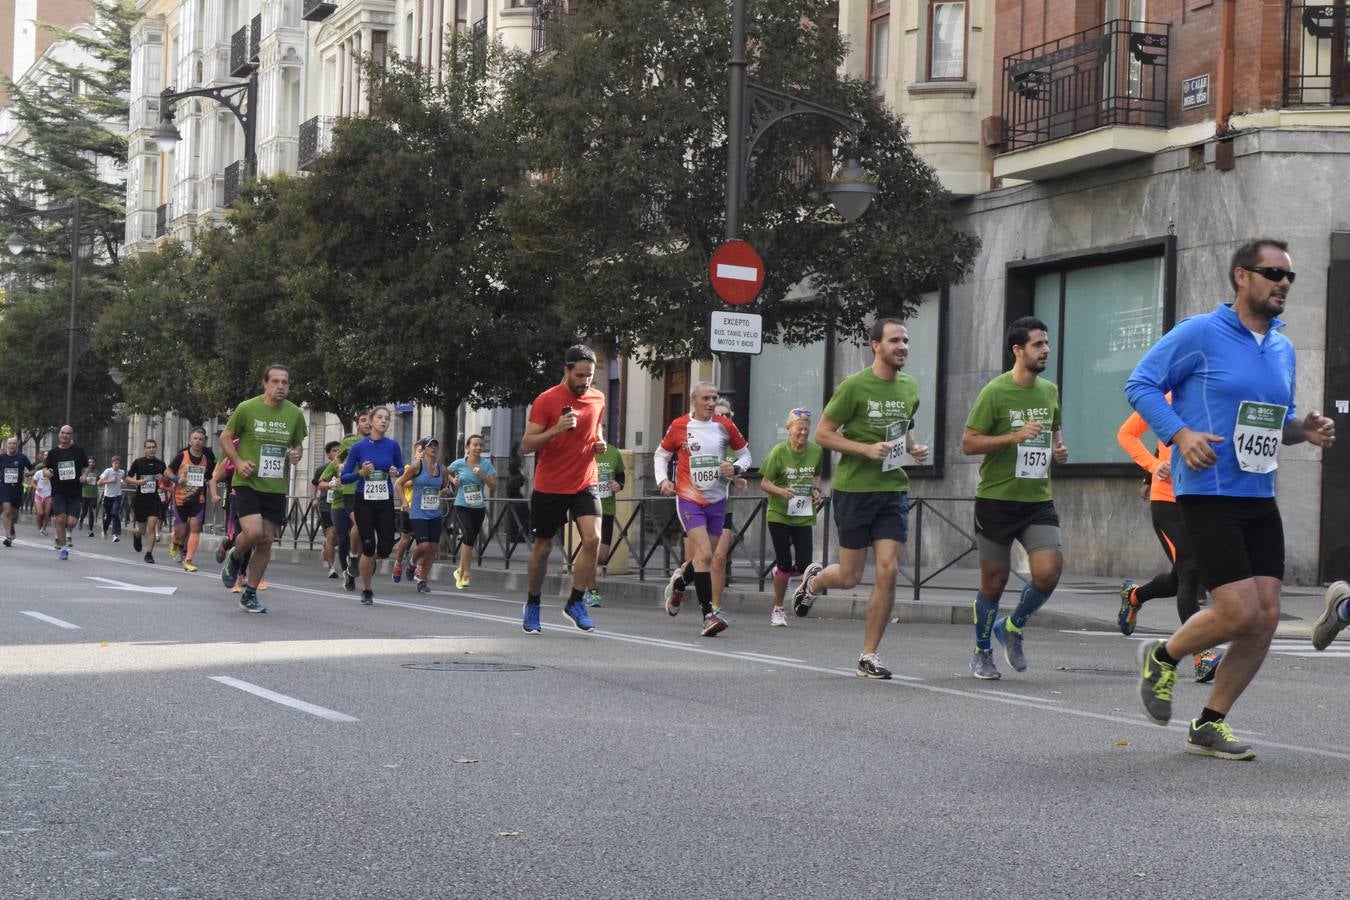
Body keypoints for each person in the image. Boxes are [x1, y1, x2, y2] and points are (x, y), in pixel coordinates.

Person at [1126, 238, 1333, 760]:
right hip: (1208, 492)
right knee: (1239, 611)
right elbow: (1141, 384)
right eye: (1273, 273)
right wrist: (1180, 435)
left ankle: (1210, 722)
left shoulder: (1282, 348)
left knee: (1264, 616)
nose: (1283, 283)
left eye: (1289, 277)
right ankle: (1164, 656)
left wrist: (1301, 430)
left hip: (1259, 494)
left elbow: (1271, 423)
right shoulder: (1200, 333)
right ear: (1241, 277)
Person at [792, 318, 929, 679]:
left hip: (892, 491)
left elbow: (905, 428)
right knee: (850, 576)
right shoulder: (854, 386)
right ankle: (815, 581)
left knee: (888, 568)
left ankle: (869, 655)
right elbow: (823, 434)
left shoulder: (910, 387)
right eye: (895, 340)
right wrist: (865, 449)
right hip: (854, 490)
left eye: (906, 341)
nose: (903, 347)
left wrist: (914, 449)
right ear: (876, 345)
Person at [961, 317, 1070, 680]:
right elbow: (969, 442)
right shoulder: (995, 392)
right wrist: (1013, 437)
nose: (1046, 350)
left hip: (1037, 499)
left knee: (1048, 572)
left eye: (1047, 343)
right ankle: (981, 652)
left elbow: (1054, 428)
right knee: (994, 581)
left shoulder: (1050, 390)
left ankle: (1012, 627)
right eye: (1038, 344)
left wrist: (1058, 448)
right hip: (997, 500)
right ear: (1018, 350)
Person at [1116, 398, 1221, 683]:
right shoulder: (1164, 398)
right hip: (1168, 502)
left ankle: (1135, 596)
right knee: (1189, 569)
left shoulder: (1214, 393)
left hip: (1202, 501)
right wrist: (1152, 467)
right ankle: (1202, 654)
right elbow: (1126, 433)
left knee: (1180, 579)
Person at [520, 344, 606, 634]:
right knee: (543, 548)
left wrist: (599, 442)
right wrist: (556, 429)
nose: (585, 382)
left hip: (585, 480)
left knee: (593, 539)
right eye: (580, 375)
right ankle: (533, 603)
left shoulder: (597, 398)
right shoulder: (546, 400)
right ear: (566, 371)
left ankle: (576, 601)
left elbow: (597, 429)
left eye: (590, 376)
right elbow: (527, 444)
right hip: (551, 483)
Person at [656, 382, 751, 637]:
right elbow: (661, 454)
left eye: (714, 398)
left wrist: (737, 469)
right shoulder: (679, 425)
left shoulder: (724, 425)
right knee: (707, 555)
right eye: (706, 398)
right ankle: (708, 615)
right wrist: (663, 480)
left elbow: (745, 455)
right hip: (689, 499)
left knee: (701, 558)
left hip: (718, 499)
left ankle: (679, 583)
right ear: (693, 400)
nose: (711, 403)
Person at [219, 364, 309, 613]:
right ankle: (236, 558)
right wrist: (237, 461)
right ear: (265, 383)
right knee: (254, 532)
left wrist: (295, 454)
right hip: (247, 482)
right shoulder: (247, 408)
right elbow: (225, 437)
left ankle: (249, 593)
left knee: (267, 541)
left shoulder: (294, 414)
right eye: (276, 382)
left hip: (275, 486)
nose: (281, 386)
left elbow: (298, 446)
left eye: (285, 382)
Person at [759, 408, 824, 626]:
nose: (803, 433)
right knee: (785, 562)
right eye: (799, 429)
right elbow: (764, 483)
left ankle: (780, 574)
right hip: (779, 513)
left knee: (805, 564)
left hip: (803, 513)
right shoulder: (779, 452)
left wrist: (816, 491)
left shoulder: (816, 451)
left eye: (806, 428)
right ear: (789, 430)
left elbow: (816, 475)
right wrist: (781, 492)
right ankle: (778, 609)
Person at [340, 406, 403, 606]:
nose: (384, 421)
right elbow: (344, 476)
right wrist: (361, 473)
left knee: (384, 549)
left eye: (387, 418)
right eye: (380, 417)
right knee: (368, 547)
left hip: (384, 501)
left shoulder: (393, 446)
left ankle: (361, 564)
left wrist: (395, 471)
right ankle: (367, 590)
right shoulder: (359, 447)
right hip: (364, 501)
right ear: (371, 421)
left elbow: (401, 468)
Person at [709, 399, 750, 617]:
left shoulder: (735, 448)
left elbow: (738, 476)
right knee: (697, 560)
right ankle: (679, 582)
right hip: (697, 507)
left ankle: (714, 607)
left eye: (728, 416)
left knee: (719, 558)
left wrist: (738, 480)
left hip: (723, 508)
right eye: (719, 415)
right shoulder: (700, 442)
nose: (724, 419)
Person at [396, 436, 450, 593]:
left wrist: (444, 491)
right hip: (418, 512)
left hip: (434, 512)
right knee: (424, 545)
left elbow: (444, 485)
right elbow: (398, 483)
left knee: (433, 548)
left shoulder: (442, 468)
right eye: (430, 446)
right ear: (424, 449)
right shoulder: (416, 466)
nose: (433, 449)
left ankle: (422, 580)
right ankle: (412, 562)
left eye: (435, 446)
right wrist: (404, 502)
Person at [448, 433, 497, 590]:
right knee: (468, 535)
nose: (478, 447)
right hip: (462, 505)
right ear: (467, 447)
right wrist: (453, 480)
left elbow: (494, 486)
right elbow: (445, 471)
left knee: (470, 540)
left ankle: (459, 571)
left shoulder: (486, 464)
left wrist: (483, 475)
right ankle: (466, 573)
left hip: (478, 507)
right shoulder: (459, 463)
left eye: (480, 445)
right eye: (474, 444)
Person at [166, 428, 217, 573]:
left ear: (204, 441)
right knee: (180, 533)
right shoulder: (182, 456)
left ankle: (188, 560)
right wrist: (177, 479)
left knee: (195, 528)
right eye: (195, 438)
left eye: (200, 439)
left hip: (198, 499)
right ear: (190, 441)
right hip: (180, 498)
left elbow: (210, 476)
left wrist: (212, 489)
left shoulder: (206, 460)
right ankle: (175, 542)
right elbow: (167, 472)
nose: (197, 441)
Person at [586, 439, 625, 606]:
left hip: (607, 508)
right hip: (587, 508)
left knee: (601, 557)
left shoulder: (613, 452)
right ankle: (591, 592)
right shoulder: (584, 451)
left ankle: (582, 578)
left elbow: (621, 476)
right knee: (591, 551)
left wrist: (619, 484)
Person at [43, 426, 90, 560]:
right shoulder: (53, 453)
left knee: (71, 522)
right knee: (60, 519)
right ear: (59, 435)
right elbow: (47, 469)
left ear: (72, 436)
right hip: (58, 491)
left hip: (75, 491)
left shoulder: (78, 451)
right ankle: (63, 549)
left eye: (68, 433)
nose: (65, 435)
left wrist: (84, 476)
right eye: (63, 433)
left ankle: (62, 533)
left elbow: (86, 466)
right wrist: (48, 473)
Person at [126, 439, 167, 564]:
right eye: (149, 447)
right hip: (140, 499)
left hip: (153, 499)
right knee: (142, 529)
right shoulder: (138, 462)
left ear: (156, 448)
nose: (151, 449)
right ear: (145, 449)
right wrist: (138, 482)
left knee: (152, 526)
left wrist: (163, 478)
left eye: (153, 447)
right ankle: (137, 535)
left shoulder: (160, 464)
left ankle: (149, 553)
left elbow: (166, 479)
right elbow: (127, 478)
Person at [0, 437, 35, 547]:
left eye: (14, 443)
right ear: (7, 445)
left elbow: (31, 469)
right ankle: (8, 537)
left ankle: (11, 527)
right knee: (7, 510)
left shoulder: (22, 457)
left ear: (17, 445)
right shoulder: (2, 457)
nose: (12, 445)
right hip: (4, 487)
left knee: (14, 514)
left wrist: (28, 474)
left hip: (17, 488)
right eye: (10, 443)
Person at [314, 441, 340, 577]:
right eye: (334, 451)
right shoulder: (323, 469)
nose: (337, 453)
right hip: (327, 505)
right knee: (331, 533)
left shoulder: (347, 467)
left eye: (339, 450)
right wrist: (314, 498)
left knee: (339, 536)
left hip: (342, 504)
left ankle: (326, 545)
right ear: (329, 454)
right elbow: (316, 484)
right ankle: (332, 568)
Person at [98, 456, 125, 541]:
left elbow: (123, 481)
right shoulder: (108, 471)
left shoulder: (122, 472)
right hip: (107, 496)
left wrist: (123, 483)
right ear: (112, 463)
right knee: (109, 516)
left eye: (118, 463)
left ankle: (115, 534)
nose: (117, 465)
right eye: (115, 463)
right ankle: (105, 529)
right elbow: (99, 483)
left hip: (117, 496)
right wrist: (110, 481)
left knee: (115, 513)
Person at [79, 457, 99, 537]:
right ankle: (81, 520)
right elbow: (80, 482)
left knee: (91, 512)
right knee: (84, 511)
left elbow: (100, 482)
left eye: (93, 462)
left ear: (95, 463)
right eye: (90, 462)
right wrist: (84, 480)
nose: (91, 463)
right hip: (85, 495)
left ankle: (90, 530)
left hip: (93, 495)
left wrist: (99, 482)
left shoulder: (97, 472)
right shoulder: (84, 471)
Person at [31, 458, 52, 536]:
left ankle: (44, 528)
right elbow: (32, 482)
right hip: (39, 495)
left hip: (48, 495)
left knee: (46, 514)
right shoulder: (38, 473)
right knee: (40, 513)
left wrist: (50, 475)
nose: (46, 469)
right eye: (45, 467)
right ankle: (39, 525)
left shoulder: (52, 473)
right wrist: (36, 487)